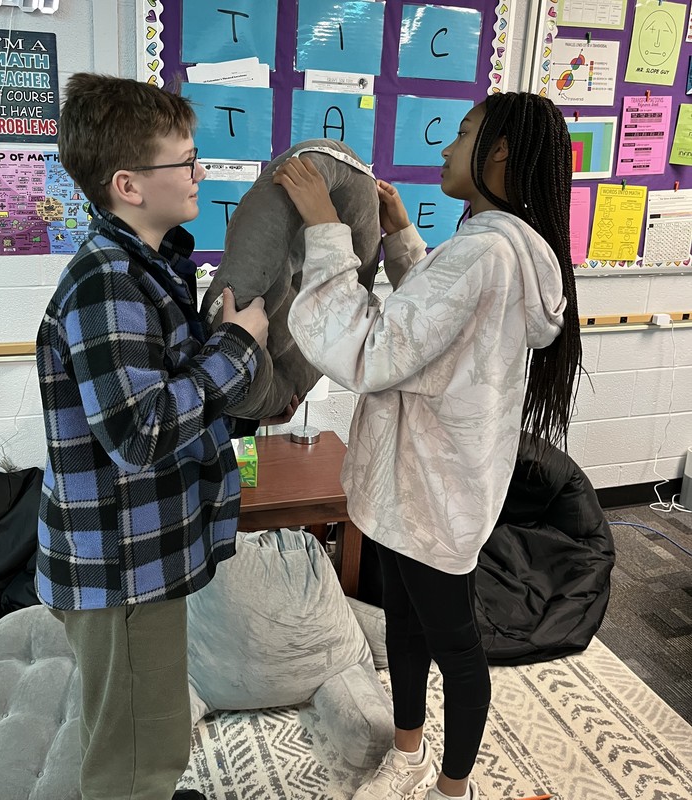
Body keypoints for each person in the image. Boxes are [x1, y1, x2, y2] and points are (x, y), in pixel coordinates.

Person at [273, 91, 581, 800]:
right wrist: (404, 236)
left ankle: (452, 789)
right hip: (425, 479)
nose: (446, 148)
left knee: (456, 647)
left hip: (430, 486)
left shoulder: (484, 253)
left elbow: (372, 351)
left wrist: (326, 233)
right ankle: (408, 754)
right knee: (405, 623)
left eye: (463, 134)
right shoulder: (504, 249)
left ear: (498, 151)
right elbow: (430, 330)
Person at [36, 74, 295, 800]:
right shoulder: (106, 283)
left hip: (141, 555)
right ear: (127, 184)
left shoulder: (151, 269)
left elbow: (172, 393)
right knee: (132, 755)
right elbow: (140, 432)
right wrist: (238, 347)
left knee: (149, 724)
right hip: (119, 567)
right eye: (183, 162)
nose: (198, 173)